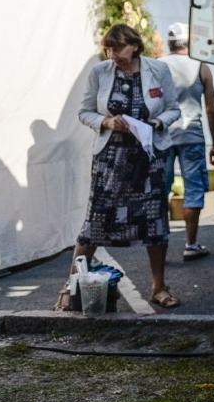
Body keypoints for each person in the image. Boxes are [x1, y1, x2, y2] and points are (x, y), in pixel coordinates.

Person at [58, 23, 182, 310]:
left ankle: (158, 287)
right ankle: (71, 285)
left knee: (154, 223)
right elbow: (84, 111)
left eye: (118, 49)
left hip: (148, 157)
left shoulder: (158, 70)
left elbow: (173, 108)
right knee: (95, 223)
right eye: (109, 49)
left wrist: (156, 122)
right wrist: (106, 122)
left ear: (135, 46)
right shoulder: (99, 73)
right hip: (110, 158)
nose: (113, 55)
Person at [162, 22, 214, 260]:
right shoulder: (201, 67)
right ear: (191, 42)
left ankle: (160, 244)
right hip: (192, 135)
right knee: (193, 189)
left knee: (161, 190)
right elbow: (211, 109)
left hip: (162, 136)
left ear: (170, 43)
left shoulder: (157, 66)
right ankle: (191, 244)